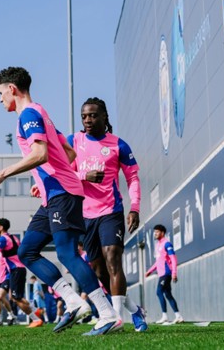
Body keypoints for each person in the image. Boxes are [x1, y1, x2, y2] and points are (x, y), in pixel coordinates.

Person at [0, 66, 122, 336]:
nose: (0, 99)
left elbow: (40, 154)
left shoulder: (28, 114)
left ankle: (107, 314)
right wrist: (46, 178)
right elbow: (68, 152)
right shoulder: (41, 113)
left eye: (0, 93)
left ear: (12, 89)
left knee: (67, 253)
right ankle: (73, 302)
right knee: (26, 252)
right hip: (54, 194)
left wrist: (3, 173)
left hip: (63, 193)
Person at [69, 97, 148, 332]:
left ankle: (116, 319)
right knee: (99, 270)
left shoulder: (118, 145)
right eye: (84, 116)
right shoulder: (74, 141)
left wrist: (135, 208)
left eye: (93, 115)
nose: (87, 120)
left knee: (113, 257)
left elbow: (133, 178)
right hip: (85, 214)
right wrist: (84, 177)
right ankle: (134, 310)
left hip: (111, 210)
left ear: (104, 116)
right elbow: (63, 173)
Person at [146, 224, 183, 324]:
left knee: (159, 292)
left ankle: (165, 316)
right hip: (161, 274)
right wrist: (150, 271)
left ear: (162, 233)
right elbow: (158, 261)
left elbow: (173, 259)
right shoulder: (158, 245)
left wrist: (174, 273)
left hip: (166, 273)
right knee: (168, 294)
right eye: (154, 232)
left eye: (157, 232)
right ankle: (178, 316)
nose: (155, 233)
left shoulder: (167, 244)